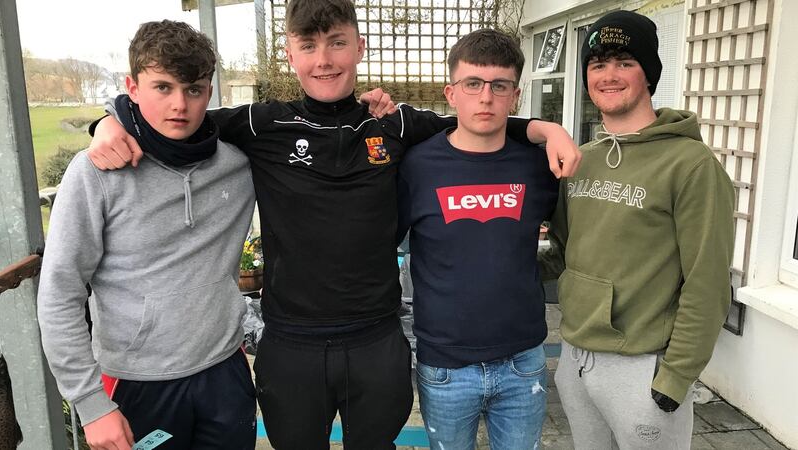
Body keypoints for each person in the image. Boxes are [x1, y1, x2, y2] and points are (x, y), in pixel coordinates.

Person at [87, 1, 581, 448]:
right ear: (290, 54)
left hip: (376, 340)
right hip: (291, 345)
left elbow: (477, 120)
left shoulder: (396, 125)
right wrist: (110, 120)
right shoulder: (263, 123)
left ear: (358, 47)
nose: (323, 59)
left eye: (337, 42)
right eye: (308, 46)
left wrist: (545, 128)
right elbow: (176, 113)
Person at [37, 20, 257, 450]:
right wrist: (91, 405)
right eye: (162, 87)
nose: (180, 105)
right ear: (132, 88)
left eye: (193, 89)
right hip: (137, 384)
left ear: (209, 92)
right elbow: (59, 294)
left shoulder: (238, 164)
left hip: (225, 374)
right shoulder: (96, 172)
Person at [539, 10, 735, 449]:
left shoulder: (691, 166)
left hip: (642, 369)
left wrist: (676, 376)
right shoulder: (581, 158)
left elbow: (707, 282)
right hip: (575, 360)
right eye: (597, 64)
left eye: (624, 62)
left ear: (650, 74)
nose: (609, 75)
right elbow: (563, 252)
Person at [396, 29, 558, 449]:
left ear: (514, 95)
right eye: (473, 84)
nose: (485, 98)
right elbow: (382, 247)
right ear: (452, 93)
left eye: (498, 86)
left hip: (522, 361)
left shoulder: (538, 167)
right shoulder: (417, 166)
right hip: (445, 366)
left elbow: (570, 239)